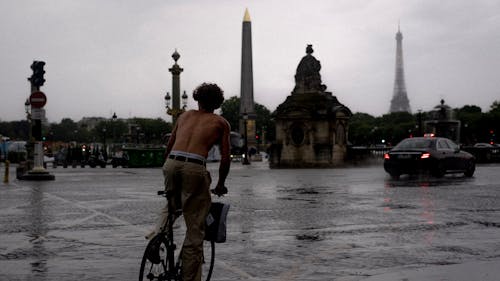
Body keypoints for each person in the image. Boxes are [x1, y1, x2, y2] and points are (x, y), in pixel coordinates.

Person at [149, 82, 231, 281]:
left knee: (172, 204)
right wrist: (220, 184)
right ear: (218, 103)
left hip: (171, 163)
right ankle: (189, 277)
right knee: (195, 225)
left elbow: (169, 146)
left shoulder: (183, 116)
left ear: (197, 98)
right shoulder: (221, 123)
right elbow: (226, 157)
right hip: (194, 167)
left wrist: (169, 167)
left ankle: (155, 238)